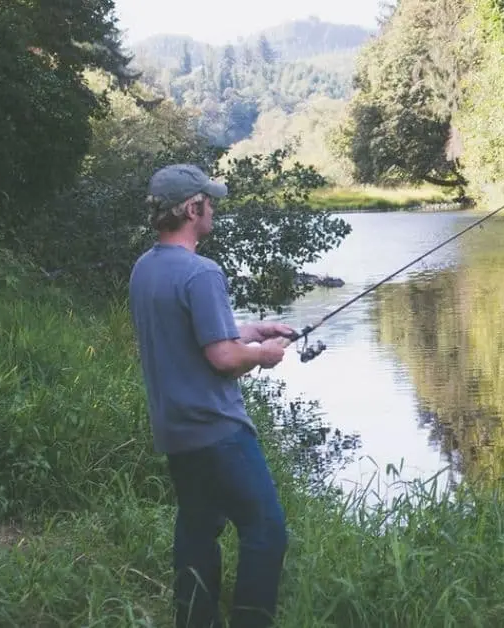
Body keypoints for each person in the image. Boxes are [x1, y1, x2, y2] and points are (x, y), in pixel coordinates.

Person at [128, 163, 295, 628]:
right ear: (191, 208)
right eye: (209, 201)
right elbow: (222, 357)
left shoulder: (146, 268)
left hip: (175, 430)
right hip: (217, 430)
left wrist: (254, 330)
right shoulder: (202, 272)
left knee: (198, 528)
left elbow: (192, 334)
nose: (213, 208)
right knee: (266, 530)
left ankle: (194, 620)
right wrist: (261, 354)